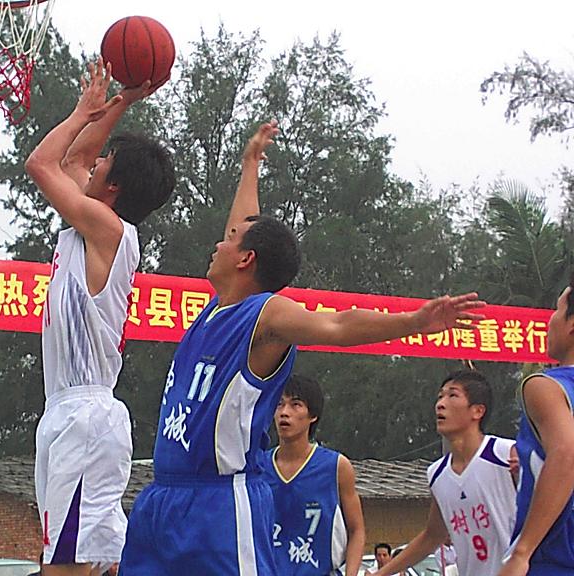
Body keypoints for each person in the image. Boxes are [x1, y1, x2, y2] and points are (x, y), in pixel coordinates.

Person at [118, 119, 485, 575]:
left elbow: (336, 323)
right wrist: (250, 165)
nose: (219, 241)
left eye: (229, 240)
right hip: (163, 496)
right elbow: (244, 227)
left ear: (247, 259)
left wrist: (414, 321)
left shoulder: (266, 315)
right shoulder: (216, 308)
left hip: (219, 504)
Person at [25, 57, 174, 576]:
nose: (95, 163)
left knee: (64, 568)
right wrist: (121, 102)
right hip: (67, 413)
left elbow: (43, 164)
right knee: (87, 566)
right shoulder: (92, 226)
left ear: (112, 187)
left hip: (86, 417)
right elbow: (74, 159)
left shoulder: (109, 229)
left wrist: (81, 112)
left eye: (106, 162)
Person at [367, 370, 516, 576]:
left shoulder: (507, 454)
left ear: (477, 411)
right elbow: (433, 535)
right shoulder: (437, 473)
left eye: (452, 395)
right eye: (440, 396)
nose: (440, 404)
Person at [499, 280, 574, 576]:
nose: (549, 321)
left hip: (555, 558)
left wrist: (522, 552)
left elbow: (566, 453)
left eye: (557, 310)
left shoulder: (546, 386)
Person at [262, 375, 365, 575]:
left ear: (313, 415)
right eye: (279, 404)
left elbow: (357, 530)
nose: (284, 412)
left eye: (295, 405)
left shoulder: (336, 466)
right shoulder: (258, 467)